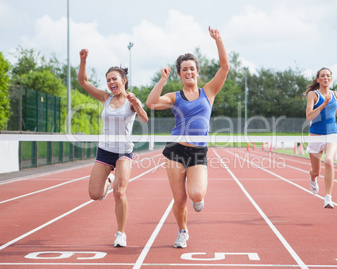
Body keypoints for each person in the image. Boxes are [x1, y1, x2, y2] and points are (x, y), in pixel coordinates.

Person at [145, 26, 229, 248]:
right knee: (179, 199)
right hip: (175, 150)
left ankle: (198, 198)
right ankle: (182, 231)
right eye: (184, 69)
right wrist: (162, 80)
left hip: (197, 151)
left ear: (197, 71)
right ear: (180, 73)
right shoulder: (175, 96)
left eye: (192, 68)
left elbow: (225, 67)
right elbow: (151, 103)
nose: (188, 72)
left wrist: (218, 40)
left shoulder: (208, 92)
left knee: (196, 194)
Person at [78, 48, 148, 247]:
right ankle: (110, 178)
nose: (111, 83)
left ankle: (120, 233)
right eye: (108, 80)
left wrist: (137, 104)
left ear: (123, 80)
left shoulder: (131, 101)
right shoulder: (105, 98)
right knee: (95, 195)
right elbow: (83, 82)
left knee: (120, 193)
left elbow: (144, 119)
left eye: (114, 79)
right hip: (105, 150)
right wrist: (83, 60)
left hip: (124, 152)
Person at [305, 67, 337, 208]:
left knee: (329, 160)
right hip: (316, 135)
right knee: (316, 171)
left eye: (328, 75)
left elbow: (335, 108)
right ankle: (312, 178)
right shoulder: (313, 94)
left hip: (332, 133)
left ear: (331, 79)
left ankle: (328, 197)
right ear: (318, 79)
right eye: (322, 76)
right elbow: (309, 116)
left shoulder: (336, 94)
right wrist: (323, 104)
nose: (325, 78)